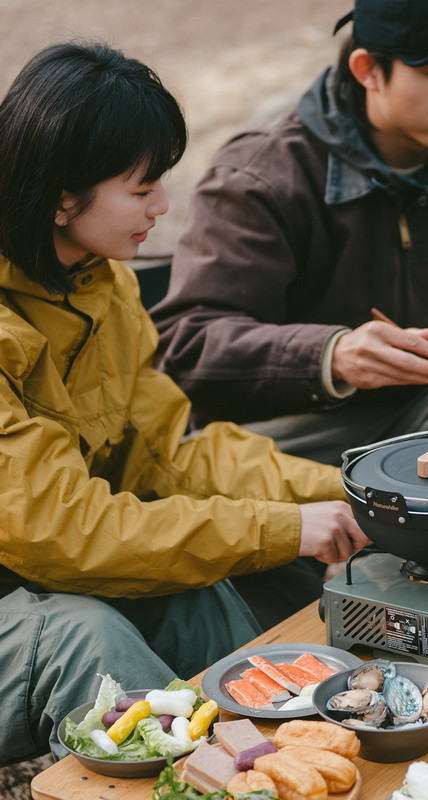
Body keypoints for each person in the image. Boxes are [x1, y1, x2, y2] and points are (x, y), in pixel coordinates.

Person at [0, 41, 368, 766]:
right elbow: (61, 533)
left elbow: (171, 455)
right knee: (86, 636)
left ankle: (287, 765)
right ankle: (212, 781)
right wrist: (279, 530)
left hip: (36, 575)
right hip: (30, 584)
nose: (163, 207)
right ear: (59, 195)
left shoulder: (99, 286)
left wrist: (349, 491)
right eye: (140, 189)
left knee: (192, 591)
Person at [152, 0, 428, 467]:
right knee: (211, 468)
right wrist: (330, 357)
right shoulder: (259, 180)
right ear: (368, 69)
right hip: (285, 438)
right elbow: (190, 344)